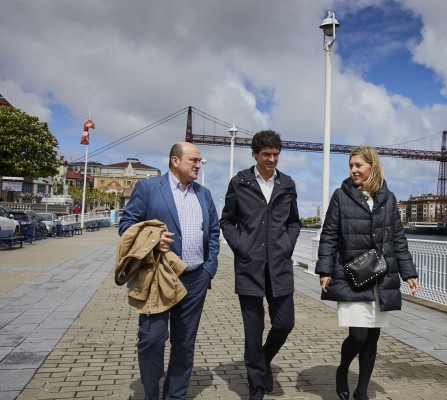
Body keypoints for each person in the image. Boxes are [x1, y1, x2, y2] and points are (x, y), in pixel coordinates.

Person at [316, 146, 419, 400]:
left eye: (358, 165)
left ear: (372, 166)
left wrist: (409, 273)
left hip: (381, 277)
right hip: (353, 276)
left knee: (372, 337)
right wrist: (325, 269)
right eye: (351, 166)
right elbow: (329, 234)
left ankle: (361, 390)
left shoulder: (389, 198)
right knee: (358, 334)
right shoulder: (341, 196)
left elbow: (398, 238)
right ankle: (342, 370)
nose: (353, 170)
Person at [119, 141, 220, 400]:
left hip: (196, 278)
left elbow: (214, 232)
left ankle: (174, 396)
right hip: (157, 276)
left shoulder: (204, 194)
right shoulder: (149, 188)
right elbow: (126, 226)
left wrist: (209, 268)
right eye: (194, 160)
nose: (199, 164)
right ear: (175, 161)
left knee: (184, 344)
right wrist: (152, 239)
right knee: (152, 339)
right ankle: (151, 395)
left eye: (200, 160)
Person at [220, 129, 301, 400]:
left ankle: (263, 361)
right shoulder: (239, 182)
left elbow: (294, 222)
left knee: (284, 323)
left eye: (276, 154)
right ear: (254, 154)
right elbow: (227, 221)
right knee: (252, 333)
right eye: (266, 154)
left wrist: (288, 244)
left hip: (279, 267)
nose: (272, 159)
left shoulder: (288, 184)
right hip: (250, 267)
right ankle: (256, 388)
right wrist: (241, 247)